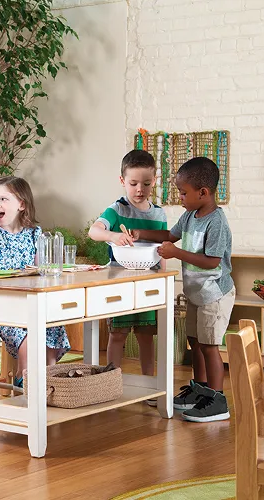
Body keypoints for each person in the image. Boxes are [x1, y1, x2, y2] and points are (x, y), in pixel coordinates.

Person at [129, 157, 234, 422]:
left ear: (203, 193)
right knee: (196, 343)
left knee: (210, 346)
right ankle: (199, 390)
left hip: (215, 293)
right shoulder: (189, 216)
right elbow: (169, 236)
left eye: (183, 193)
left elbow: (212, 261)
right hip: (197, 293)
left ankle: (217, 399)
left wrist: (176, 253)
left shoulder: (216, 222)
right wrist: (140, 233)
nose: (180, 198)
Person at [0, 176, 71, 391]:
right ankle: (26, 380)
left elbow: (40, 271)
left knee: (52, 325)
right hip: (0, 304)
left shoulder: (34, 234)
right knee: (28, 332)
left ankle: (46, 380)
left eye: (3, 199)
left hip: (29, 301)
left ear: (21, 204)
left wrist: (40, 271)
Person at [87, 150, 166, 406]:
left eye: (146, 183)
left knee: (146, 335)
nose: (139, 190)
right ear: (122, 181)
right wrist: (112, 236)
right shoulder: (116, 209)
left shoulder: (159, 215)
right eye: (133, 184)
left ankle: (149, 383)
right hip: (119, 283)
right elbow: (94, 231)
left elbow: (162, 249)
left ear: (155, 180)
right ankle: (110, 383)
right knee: (117, 335)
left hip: (149, 284)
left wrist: (165, 278)